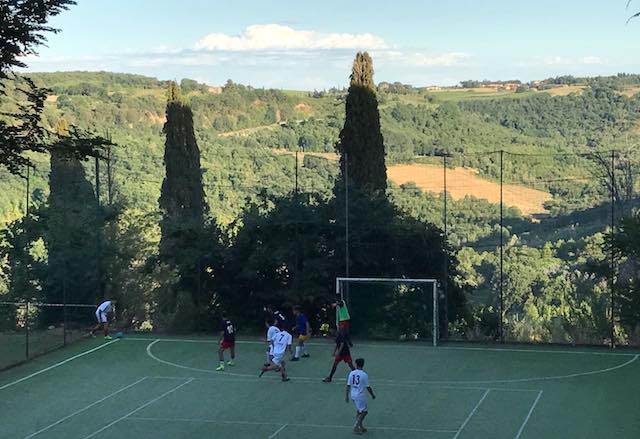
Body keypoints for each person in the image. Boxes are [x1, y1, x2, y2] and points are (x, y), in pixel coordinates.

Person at [346, 358, 376, 435]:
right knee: (364, 412)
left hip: (353, 395)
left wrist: (346, 395)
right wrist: (372, 395)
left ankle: (361, 426)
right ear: (363, 364)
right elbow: (368, 387)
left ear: (356, 364)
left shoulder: (351, 373)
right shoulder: (364, 374)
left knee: (359, 411)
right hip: (360, 396)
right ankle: (356, 427)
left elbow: (348, 385)